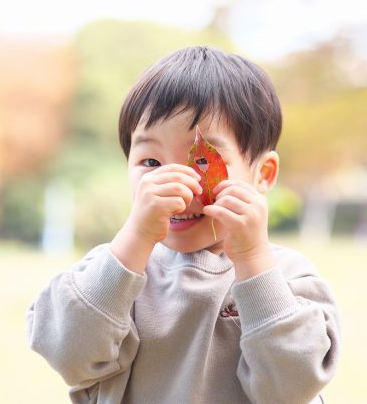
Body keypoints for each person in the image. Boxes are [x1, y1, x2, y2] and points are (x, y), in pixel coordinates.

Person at [26, 46, 341, 404]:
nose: (177, 184)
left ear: (262, 174)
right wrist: (137, 238)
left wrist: (253, 260)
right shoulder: (113, 272)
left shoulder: (287, 277)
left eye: (203, 161)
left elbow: (292, 387)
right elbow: (69, 354)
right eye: (151, 161)